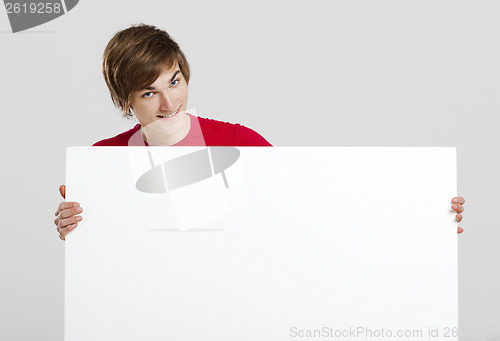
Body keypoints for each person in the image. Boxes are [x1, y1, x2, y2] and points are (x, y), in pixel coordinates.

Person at [53, 24, 466, 240]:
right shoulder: (102, 161)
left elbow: (314, 205)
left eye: (174, 82)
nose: (168, 104)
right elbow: (109, 255)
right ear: (126, 100)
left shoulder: (239, 142)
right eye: (149, 92)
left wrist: (424, 218)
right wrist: (76, 228)